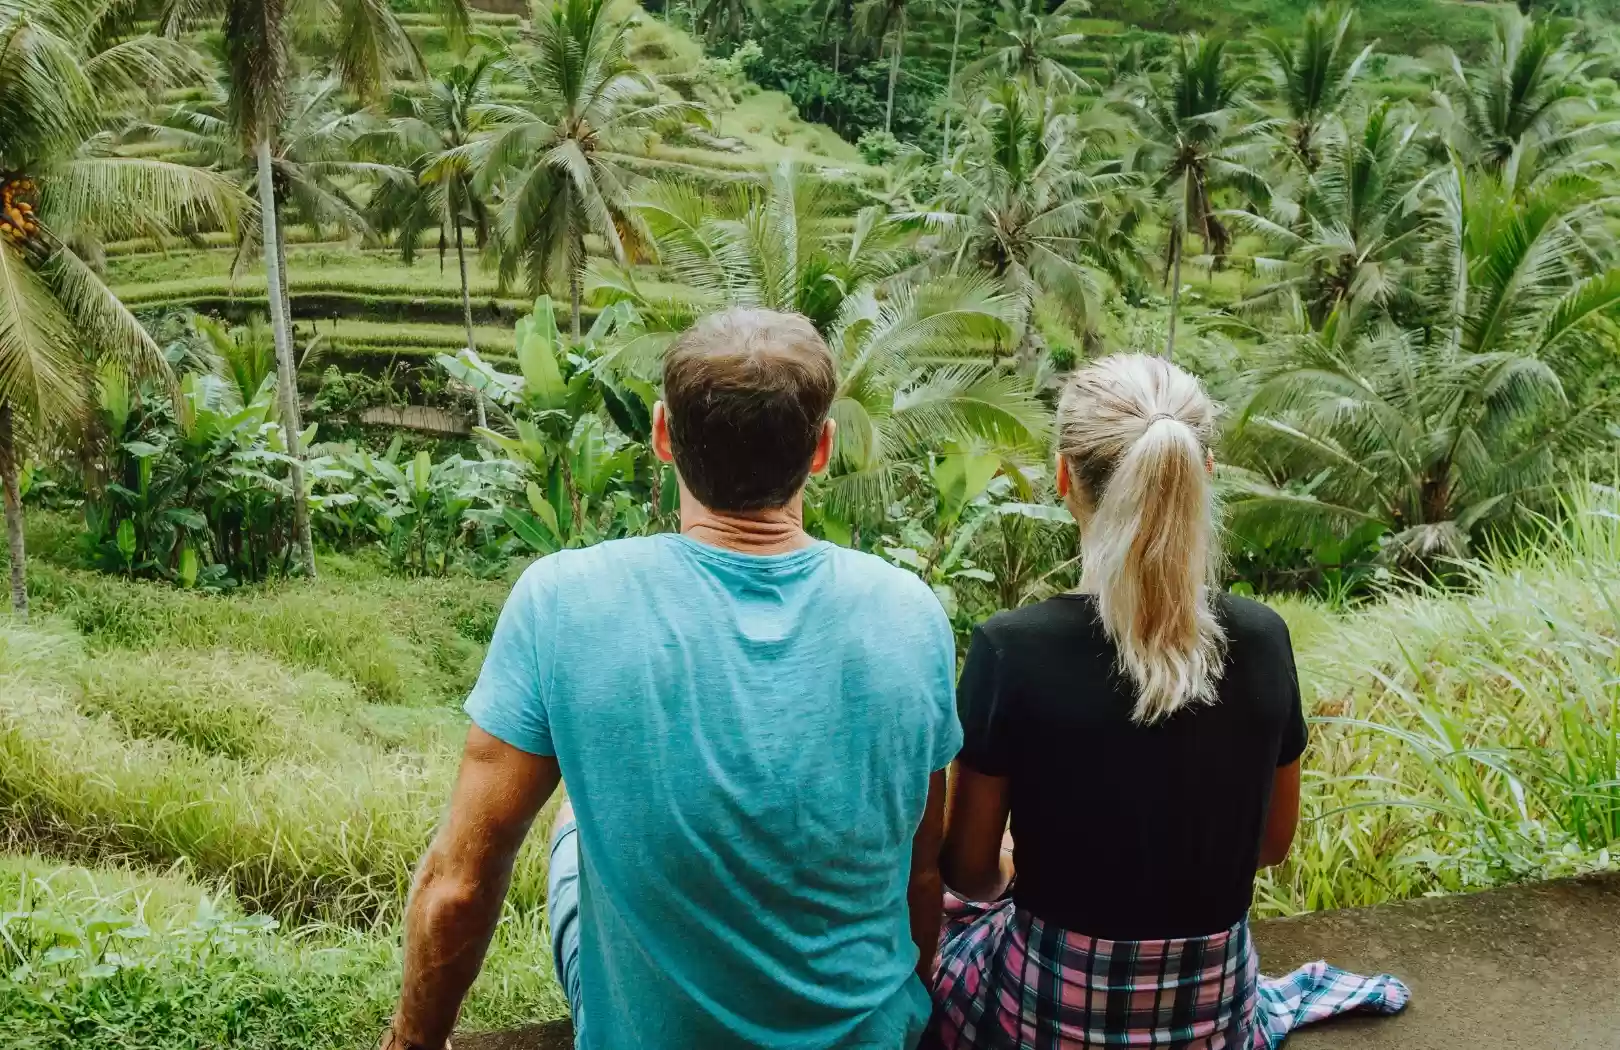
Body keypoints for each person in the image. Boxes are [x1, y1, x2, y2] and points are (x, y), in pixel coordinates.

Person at [379, 308, 961, 1050]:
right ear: (821, 449)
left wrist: (410, 1042)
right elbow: (920, 872)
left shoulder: (563, 598)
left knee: (573, 820)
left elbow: (458, 888)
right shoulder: (912, 613)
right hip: (873, 1034)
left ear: (661, 434)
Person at [926, 354, 1408, 1050]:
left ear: (1064, 477)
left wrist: (1010, 859)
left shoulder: (1012, 649)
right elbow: (1271, 844)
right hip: (1213, 1013)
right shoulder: (1262, 639)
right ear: (1202, 473)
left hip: (1051, 1015)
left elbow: (968, 873)